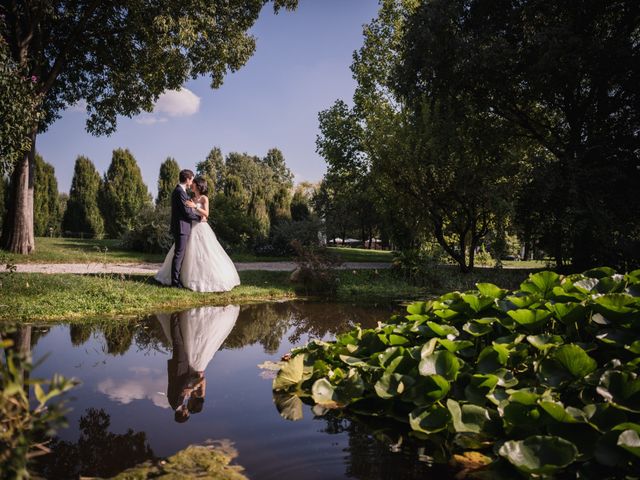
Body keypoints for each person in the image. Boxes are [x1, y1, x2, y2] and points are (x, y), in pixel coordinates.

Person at [156, 305, 240, 422]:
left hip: (179, 369)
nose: (187, 410)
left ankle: (174, 314)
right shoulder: (178, 403)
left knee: (178, 342)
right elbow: (184, 388)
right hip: (182, 369)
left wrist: (190, 388)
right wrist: (190, 387)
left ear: (183, 414)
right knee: (179, 342)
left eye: (187, 413)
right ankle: (176, 316)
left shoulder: (175, 403)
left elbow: (180, 387)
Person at [156, 176, 240, 292]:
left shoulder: (204, 198)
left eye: (194, 183)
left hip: (201, 228)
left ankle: (205, 279)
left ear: (198, 185)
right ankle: (181, 278)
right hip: (190, 227)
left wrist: (195, 206)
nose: (191, 185)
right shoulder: (191, 198)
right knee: (188, 253)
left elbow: (206, 214)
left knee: (204, 253)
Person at [157, 169, 202, 288]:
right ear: (187, 179)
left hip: (183, 226)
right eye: (191, 179)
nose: (192, 182)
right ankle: (175, 282)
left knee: (180, 253)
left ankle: (177, 279)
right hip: (181, 227)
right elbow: (186, 212)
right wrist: (199, 218)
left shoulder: (182, 192)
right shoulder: (179, 192)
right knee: (179, 254)